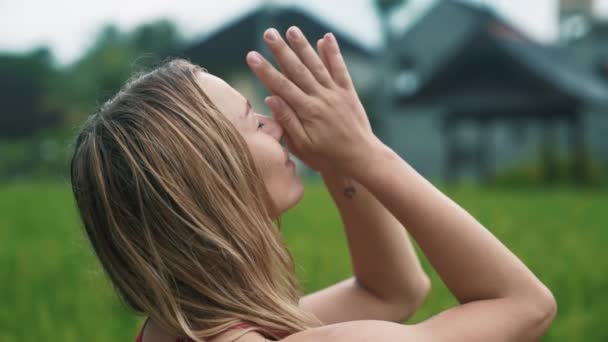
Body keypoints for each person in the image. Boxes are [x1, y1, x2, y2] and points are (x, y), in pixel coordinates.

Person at [70, 25, 556, 342]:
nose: (276, 124)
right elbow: (524, 305)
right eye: (252, 121)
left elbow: (392, 292)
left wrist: (340, 163)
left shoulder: (176, 328)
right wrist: (367, 152)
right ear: (213, 176)